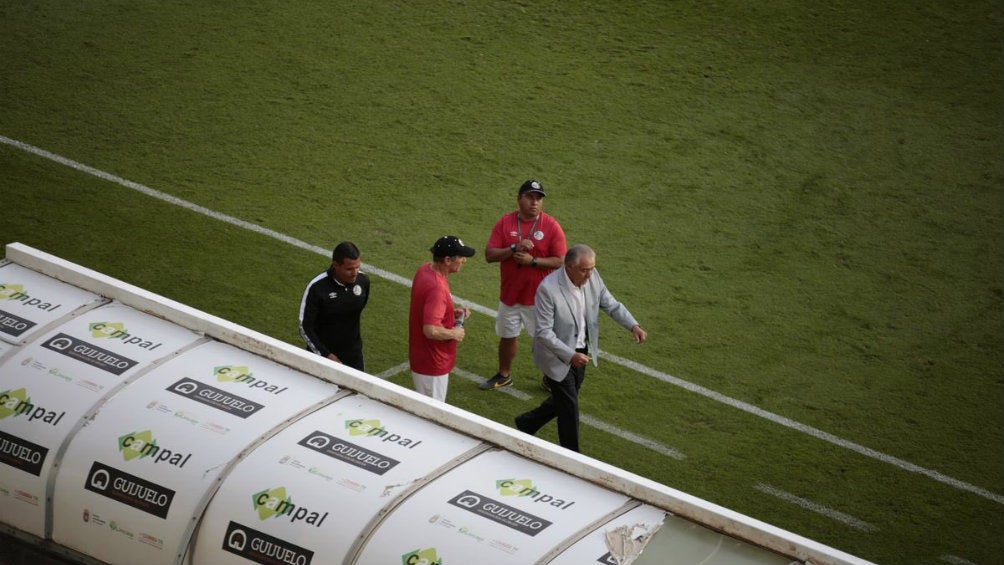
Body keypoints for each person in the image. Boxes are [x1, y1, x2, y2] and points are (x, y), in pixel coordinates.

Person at [514, 244, 647, 452]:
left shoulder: (592, 277)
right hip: (556, 355)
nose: (589, 274)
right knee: (570, 407)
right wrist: (570, 355)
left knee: (567, 398)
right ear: (568, 267)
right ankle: (572, 455)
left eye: (592, 268)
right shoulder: (548, 289)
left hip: (581, 350)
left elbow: (610, 304)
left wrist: (633, 325)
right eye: (585, 270)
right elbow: (543, 332)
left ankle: (527, 422)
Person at [481, 179, 567, 390]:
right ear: (519, 199)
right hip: (510, 295)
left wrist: (533, 261)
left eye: (538, 198)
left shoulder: (551, 226)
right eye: (530, 197)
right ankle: (504, 375)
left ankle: (551, 378)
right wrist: (513, 248)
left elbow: (560, 260)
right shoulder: (505, 223)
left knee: (544, 342)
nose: (535, 202)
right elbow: (490, 255)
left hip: (539, 298)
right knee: (507, 336)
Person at [409, 235, 475, 402]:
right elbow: (430, 330)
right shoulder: (437, 288)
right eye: (460, 257)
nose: (464, 261)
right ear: (447, 260)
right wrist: (454, 334)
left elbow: (426, 306)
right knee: (432, 416)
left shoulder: (425, 269)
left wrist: (450, 313)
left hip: (424, 357)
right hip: (432, 363)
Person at [299, 241, 370, 371]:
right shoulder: (317, 287)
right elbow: (305, 326)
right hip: (321, 356)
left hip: (353, 355)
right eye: (349, 269)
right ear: (336, 265)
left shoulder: (363, 281)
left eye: (357, 267)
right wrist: (326, 355)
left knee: (356, 391)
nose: (355, 273)